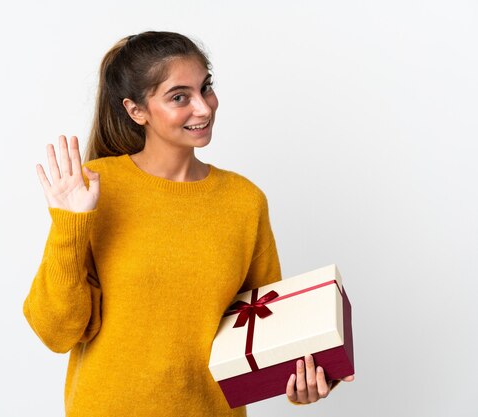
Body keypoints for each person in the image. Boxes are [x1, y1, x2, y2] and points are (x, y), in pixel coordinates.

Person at [23, 31, 354, 417]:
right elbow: (57, 332)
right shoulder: (94, 187)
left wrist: (301, 377)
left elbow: (266, 327)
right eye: (180, 97)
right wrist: (70, 225)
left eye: (206, 88)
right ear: (136, 110)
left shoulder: (244, 201)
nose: (204, 107)